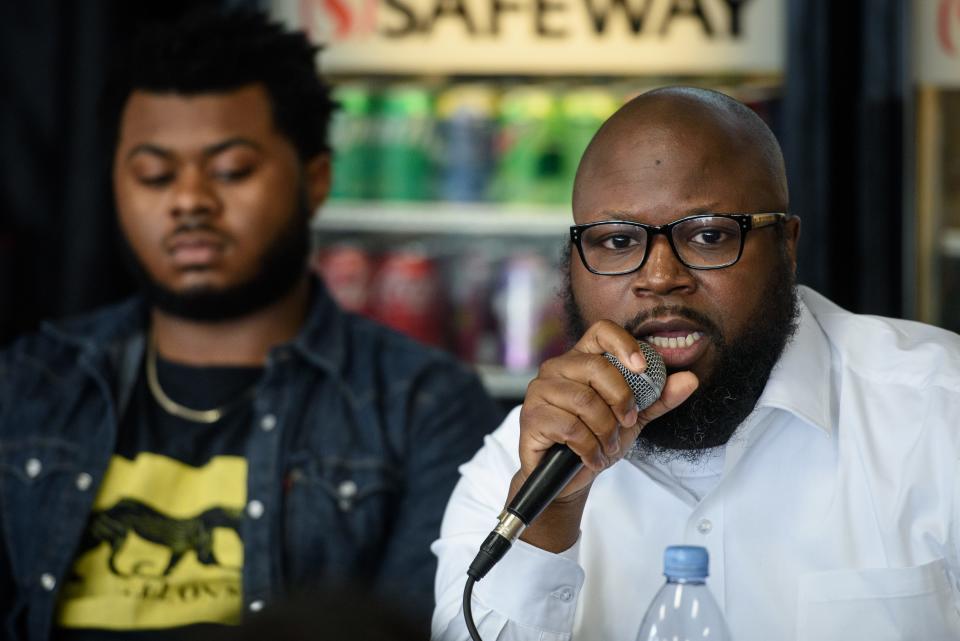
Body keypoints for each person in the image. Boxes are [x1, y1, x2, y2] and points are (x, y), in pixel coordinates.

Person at [0, 8, 501, 641]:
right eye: (154, 174)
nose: (188, 200)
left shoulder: (422, 407)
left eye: (231, 170)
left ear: (314, 179)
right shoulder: (29, 384)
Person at [432, 86, 960, 641]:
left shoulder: (939, 416)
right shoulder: (516, 466)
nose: (659, 277)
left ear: (787, 244)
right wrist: (551, 518)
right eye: (616, 242)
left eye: (708, 235)